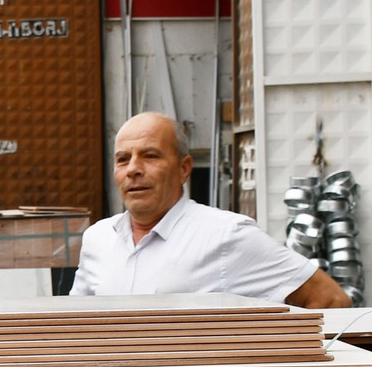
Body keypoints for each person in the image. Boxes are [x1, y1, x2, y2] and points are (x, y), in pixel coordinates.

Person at [72, 113, 352, 308]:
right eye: (123, 159)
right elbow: (74, 323)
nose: (133, 169)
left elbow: (329, 299)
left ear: (184, 169)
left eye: (150, 155)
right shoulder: (99, 238)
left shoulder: (225, 235)